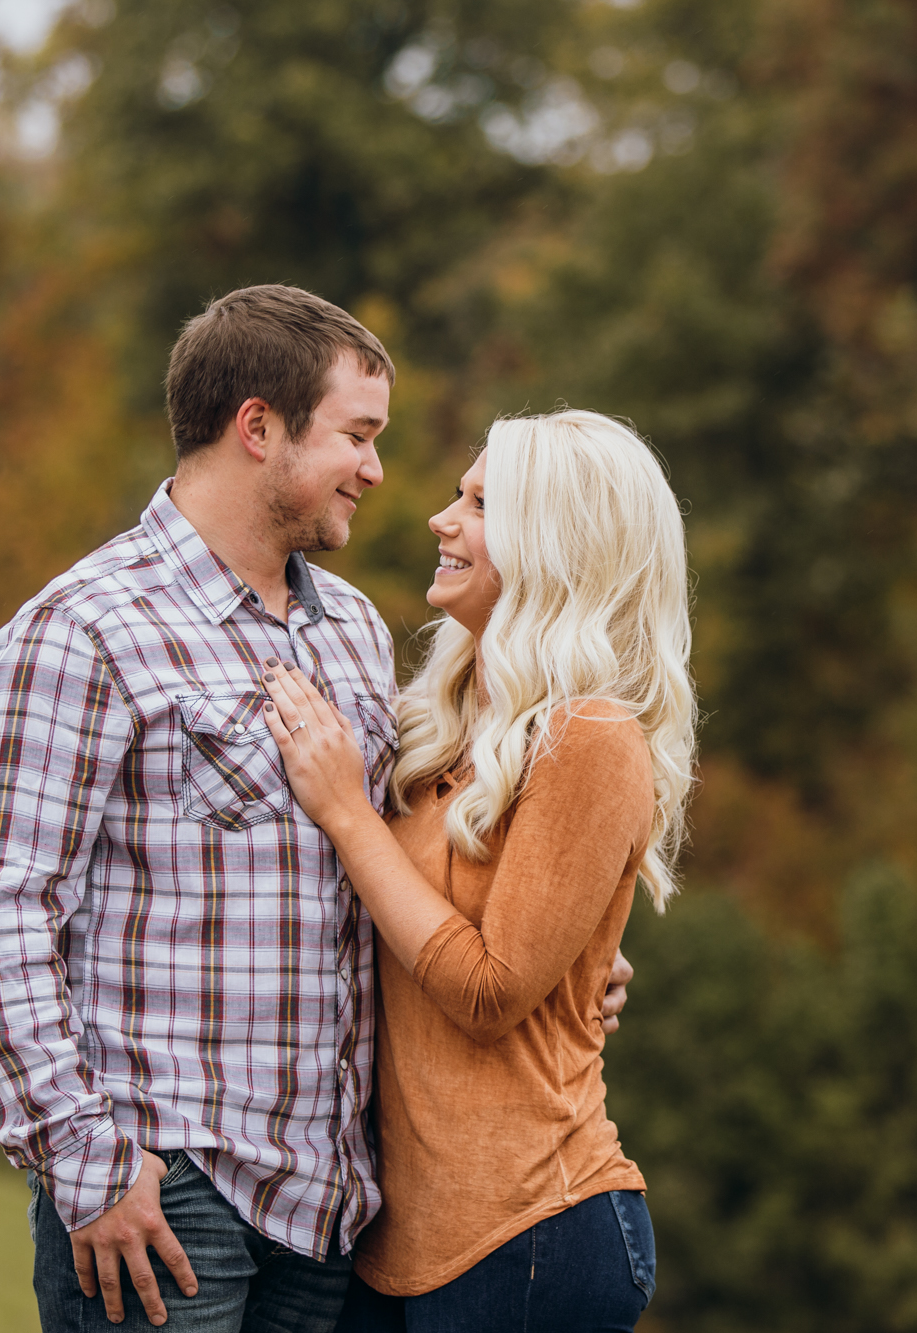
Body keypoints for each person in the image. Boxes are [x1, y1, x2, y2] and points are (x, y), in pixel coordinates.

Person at [0, 286, 632, 1333]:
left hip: (329, 1216)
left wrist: (567, 951)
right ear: (257, 428)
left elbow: (410, 865)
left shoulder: (352, 631)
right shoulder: (81, 633)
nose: (376, 468)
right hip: (173, 1195)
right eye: (357, 435)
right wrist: (85, 1164)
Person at [254, 409, 695, 1332]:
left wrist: (344, 811)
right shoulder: (442, 718)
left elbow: (492, 990)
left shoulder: (590, 736)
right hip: (393, 1240)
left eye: (480, 503)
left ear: (554, 545)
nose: (440, 519)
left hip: (530, 1232)